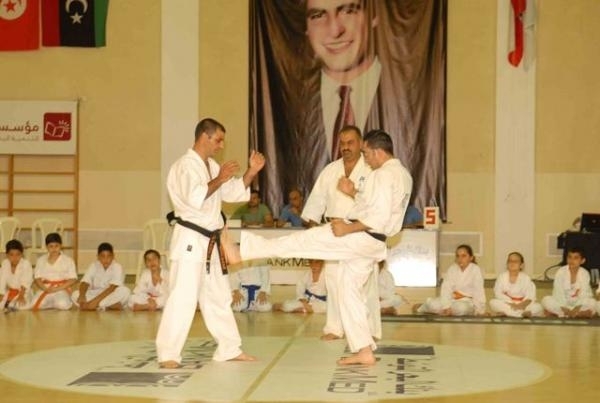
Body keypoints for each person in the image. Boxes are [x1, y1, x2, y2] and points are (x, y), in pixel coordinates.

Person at [226, 129, 412, 366]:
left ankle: (242, 251)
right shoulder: (402, 174)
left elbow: (378, 216)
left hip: (358, 235)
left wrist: (348, 229)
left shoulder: (383, 174)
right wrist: (353, 192)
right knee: (348, 291)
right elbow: (376, 206)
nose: (365, 158)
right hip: (372, 243)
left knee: (300, 243)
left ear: (377, 151)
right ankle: (364, 350)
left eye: (366, 153)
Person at [155, 117, 265, 369]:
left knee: (219, 296)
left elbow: (233, 192)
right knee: (183, 297)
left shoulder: (212, 166)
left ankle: (229, 348)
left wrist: (251, 172)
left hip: (211, 242)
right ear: (204, 136)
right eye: (218, 140)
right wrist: (220, 178)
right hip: (191, 240)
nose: (221, 145)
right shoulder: (184, 166)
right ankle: (168, 353)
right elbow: (196, 197)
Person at [300, 125, 380, 341]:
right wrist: (313, 230)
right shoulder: (330, 170)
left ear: (361, 143)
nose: (345, 147)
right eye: (342, 143)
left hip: (360, 229)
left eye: (350, 142)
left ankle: (369, 330)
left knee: (365, 283)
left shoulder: (371, 170)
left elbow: (376, 205)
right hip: (334, 230)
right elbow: (316, 201)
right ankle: (335, 328)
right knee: (334, 279)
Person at [413, 245, 486, 316]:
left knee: (462, 308)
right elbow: (446, 288)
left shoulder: (476, 270)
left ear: (471, 258)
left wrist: (480, 310)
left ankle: (442, 310)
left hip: (467, 302)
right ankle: (423, 307)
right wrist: (446, 306)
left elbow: (479, 291)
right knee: (433, 305)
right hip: (451, 299)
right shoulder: (452, 269)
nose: (460, 259)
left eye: (463, 256)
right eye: (458, 256)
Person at [71, 242, 131, 311]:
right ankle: (107, 306)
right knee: (75, 294)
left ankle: (94, 306)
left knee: (126, 291)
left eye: (109, 256)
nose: (106, 259)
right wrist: (82, 296)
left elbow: (112, 288)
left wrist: (95, 302)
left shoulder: (117, 267)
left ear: (113, 256)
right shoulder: (93, 265)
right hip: (96, 293)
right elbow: (85, 282)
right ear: (98, 257)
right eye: (103, 256)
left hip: (111, 293)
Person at [541, 247, 596, 318]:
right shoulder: (561, 272)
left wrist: (577, 307)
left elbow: (585, 293)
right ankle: (576, 314)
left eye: (576, 258)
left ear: (582, 261)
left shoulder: (584, 273)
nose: (572, 260)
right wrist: (564, 308)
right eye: (569, 257)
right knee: (546, 300)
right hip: (562, 304)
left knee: (592, 302)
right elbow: (558, 292)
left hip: (578, 303)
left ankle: (559, 314)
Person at [31, 233, 77, 311]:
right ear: (47, 247)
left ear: (61, 246)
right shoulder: (41, 260)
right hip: (45, 288)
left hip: (61, 288)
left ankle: (54, 304)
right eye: (51, 246)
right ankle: (52, 304)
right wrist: (45, 288)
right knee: (34, 303)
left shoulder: (68, 260)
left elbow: (73, 279)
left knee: (63, 304)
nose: (54, 249)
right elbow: (37, 278)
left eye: (56, 246)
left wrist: (57, 289)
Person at [488, 252, 543, 318]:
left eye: (515, 261)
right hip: (508, 304)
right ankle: (521, 314)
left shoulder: (526, 278)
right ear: (507, 264)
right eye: (510, 261)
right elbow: (498, 293)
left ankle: (509, 313)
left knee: (538, 307)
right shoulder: (502, 277)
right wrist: (512, 303)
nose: (512, 263)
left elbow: (530, 297)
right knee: (493, 302)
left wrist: (521, 305)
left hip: (523, 305)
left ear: (521, 265)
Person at [0, 239, 33, 311]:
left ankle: (10, 304)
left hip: (23, 292)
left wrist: (21, 295)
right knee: (1, 304)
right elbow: (2, 279)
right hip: (10, 291)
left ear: (22, 254)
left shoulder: (26, 264)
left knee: (21, 305)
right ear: (7, 255)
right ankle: (8, 303)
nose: (15, 258)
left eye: (18, 254)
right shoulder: (5, 263)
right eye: (11, 255)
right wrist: (1, 294)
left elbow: (26, 281)